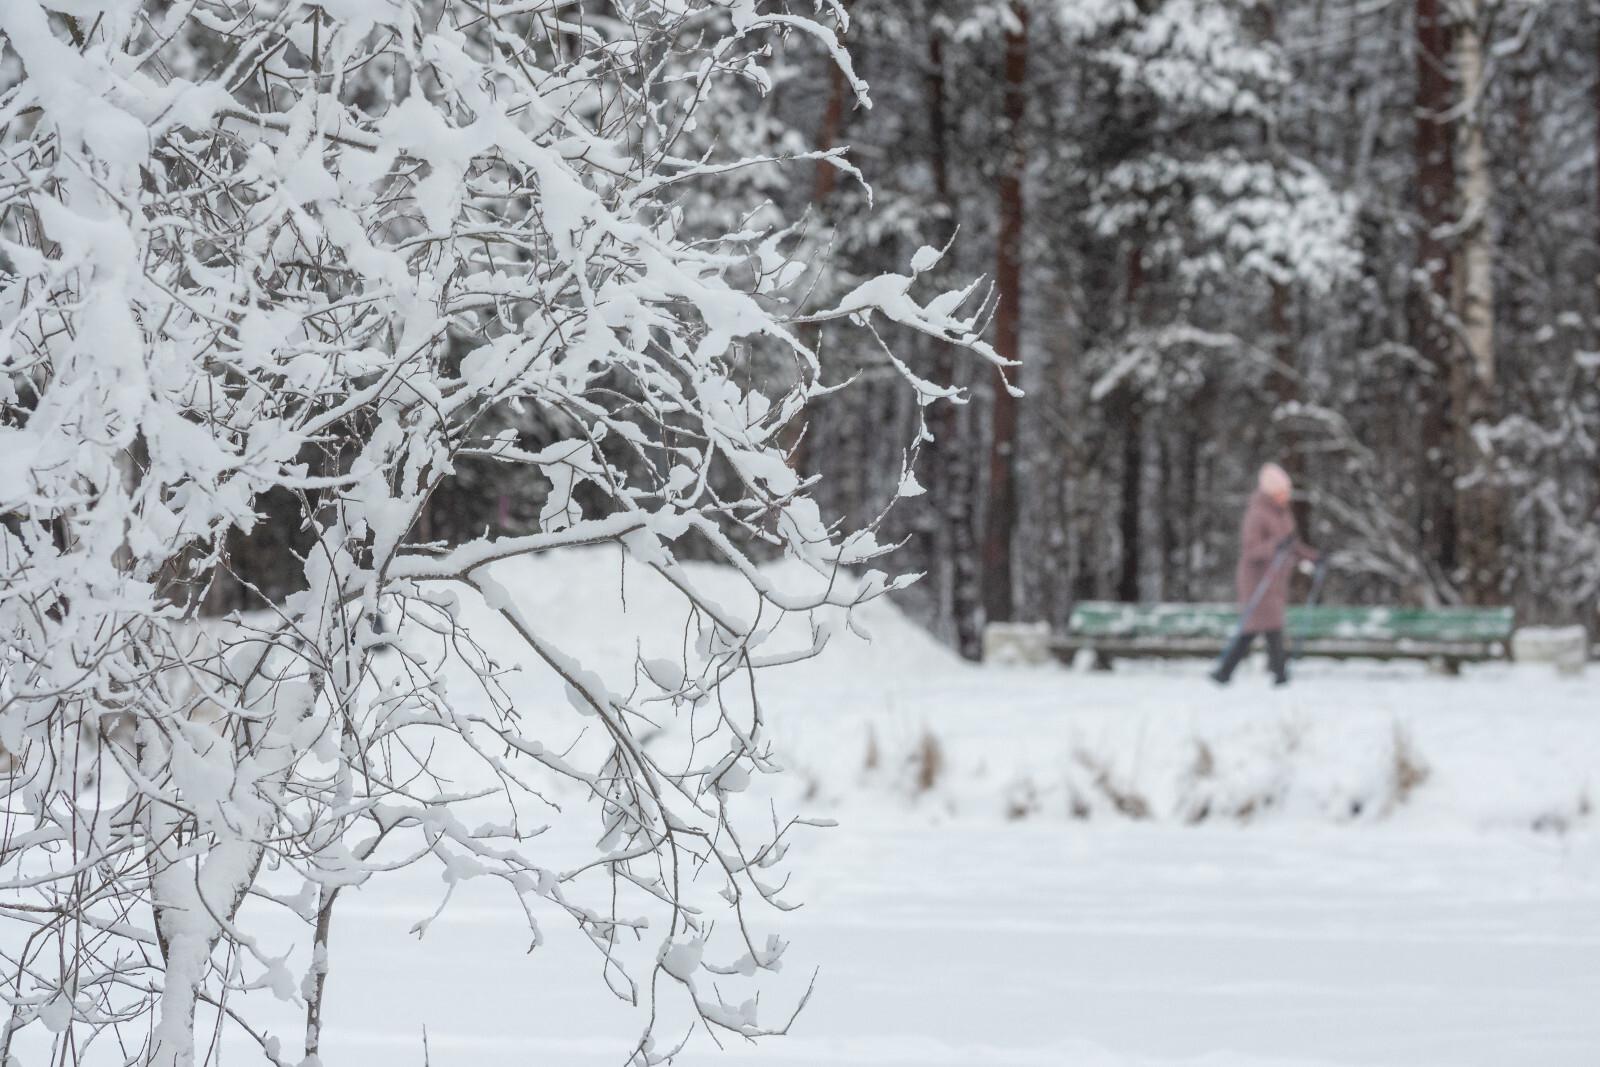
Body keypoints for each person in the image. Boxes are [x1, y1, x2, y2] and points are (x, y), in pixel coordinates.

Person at [1210, 463, 1320, 687]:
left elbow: (1291, 544)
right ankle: (1278, 674)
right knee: (1268, 627)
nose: (1285, 497)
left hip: (1276, 580)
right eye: (1281, 492)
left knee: (1259, 628)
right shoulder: (1256, 514)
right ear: (1270, 493)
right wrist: (1276, 546)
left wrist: (1314, 557)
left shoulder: (1284, 514)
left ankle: (1226, 672)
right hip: (1257, 580)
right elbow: (1252, 550)